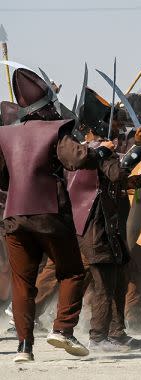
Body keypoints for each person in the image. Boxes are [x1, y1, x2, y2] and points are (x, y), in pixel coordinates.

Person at [0, 68, 112, 362]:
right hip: (49, 213)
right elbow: (77, 159)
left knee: (22, 283)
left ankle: (24, 347)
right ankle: (62, 330)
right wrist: (98, 152)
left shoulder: (4, 133)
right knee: (73, 271)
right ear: (48, 105)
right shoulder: (55, 129)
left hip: (13, 215)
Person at [69, 87, 141, 352]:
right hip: (96, 227)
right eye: (113, 120)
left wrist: (132, 179)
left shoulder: (101, 150)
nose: (118, 125)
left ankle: (116, 334)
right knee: (103, 284)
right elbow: (114, 173)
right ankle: (98, 337)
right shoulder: (96, 149)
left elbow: (115, 179)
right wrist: (138, 148)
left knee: (117, 281)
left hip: (108, 226)